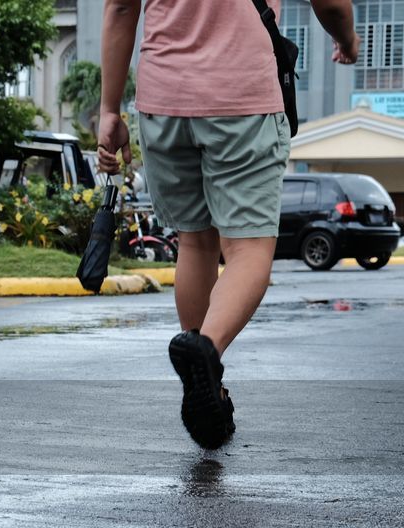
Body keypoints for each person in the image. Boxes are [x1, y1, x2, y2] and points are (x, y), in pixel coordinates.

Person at [98, 0, 358, 449]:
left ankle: (209, 388)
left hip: (164, 100)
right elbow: (331, 3)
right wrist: (347, 38)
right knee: (248, 251)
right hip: (242, 97)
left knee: (195, 244)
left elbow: (121, 7)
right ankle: (207, 353)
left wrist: (108, 109)